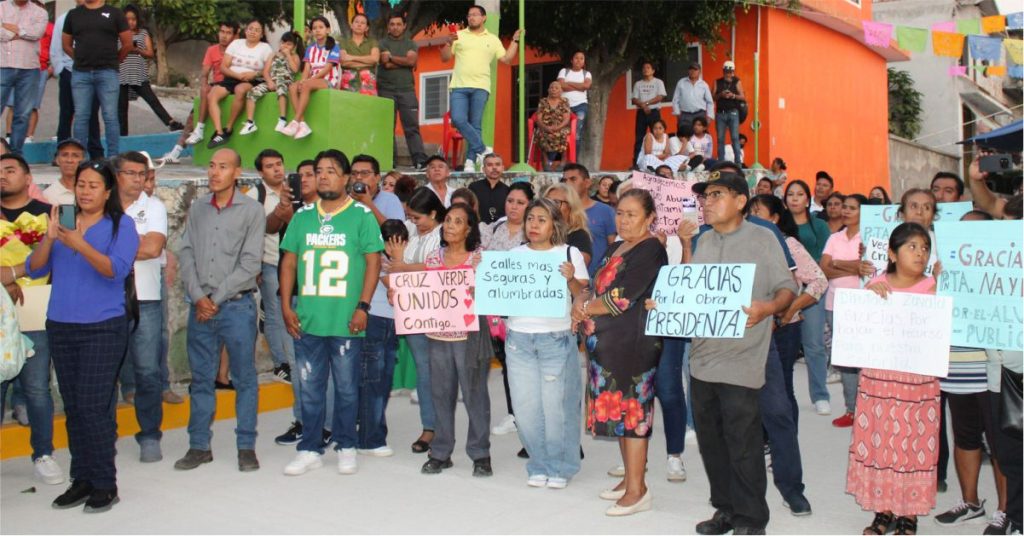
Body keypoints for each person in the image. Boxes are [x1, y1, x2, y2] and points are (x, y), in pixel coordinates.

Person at [684, 172, 799, 533]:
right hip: (702, 361)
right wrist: (668, 304)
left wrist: (766, 309)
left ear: (739, 201)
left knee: (744, 444)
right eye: (704, 196)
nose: (707, 202)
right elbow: (692, 292)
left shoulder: (764, 238)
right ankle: (726, 509)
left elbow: (787, 289)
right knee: (712, 444)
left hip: (743, 360)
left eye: (716, 194)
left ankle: (751, 518)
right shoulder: (702, 241)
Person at [27, 159, 139, 513]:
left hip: (103, 327)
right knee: (74, 407)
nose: (86, 191)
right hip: (61, 324)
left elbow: (115, 270)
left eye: (94, 185)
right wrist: (51, 237)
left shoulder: (122, 225)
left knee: (93, 406)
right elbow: (36, 267)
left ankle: (105, 482)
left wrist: (79, 244)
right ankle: (83, 479)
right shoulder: (60, 223)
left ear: (108, 192)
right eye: (81, 184)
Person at [279, 148, 383, 476]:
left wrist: (363, 306)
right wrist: (285, 304)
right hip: (308, 317)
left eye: (331, 170)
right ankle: (310, 447)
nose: (323, 176)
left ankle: (346, 444)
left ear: (346, 177)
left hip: (346, 319)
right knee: (310, 386)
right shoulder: (302, 216)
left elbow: (373, 262)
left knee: (347, 386)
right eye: (319, 170)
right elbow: (290, 260)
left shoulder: (361, 216)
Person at [572, 189, 666, 516]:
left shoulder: (652, 249)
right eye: (620, 213)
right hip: (605, 344)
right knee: (622, 414)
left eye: (632, 214)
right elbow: (596, 285)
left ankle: (639, 491)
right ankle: (629, 479)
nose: (624, 220)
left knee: (634, 414)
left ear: (650, 217)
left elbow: (623, 297)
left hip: (633, 344)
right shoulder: (615, 246)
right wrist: (580, 301)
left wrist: (585, 309)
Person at [174, 148, 265, 473]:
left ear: (237, 172)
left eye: (223, 167)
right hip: (201, 309)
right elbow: (185, 251)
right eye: (212, 166)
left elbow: (251, 263)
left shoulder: (252, 211)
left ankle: (245, 447)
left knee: (244, 379)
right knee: (200, 380)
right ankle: (199, 446)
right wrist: (199, 296)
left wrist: (215, 298)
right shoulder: (198, 208)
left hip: (236, 307)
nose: (214, 172)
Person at [849, 222, 939, 536]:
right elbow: (859, 329)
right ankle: (883, 510)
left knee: (913, 443)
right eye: (912, 247)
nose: (920, 254)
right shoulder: (876, 284)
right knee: (882, 441)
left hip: (918, 382)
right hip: (879, 381)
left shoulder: (933, 287)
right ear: (892, 253)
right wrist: (868, 295)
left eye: (925, 248)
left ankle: (909, 513)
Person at [932, 209, 1011, 534]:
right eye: (963, 231)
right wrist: (936, 280)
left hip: (992, 371)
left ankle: (1008, 510)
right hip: (955, 368)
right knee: (964, 436)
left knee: (999, 443)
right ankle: (971, 502)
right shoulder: (943, 268)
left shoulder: (1006, 271)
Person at [745, 197, 826, 513]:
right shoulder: (718, 242)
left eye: (758, 214)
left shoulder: (786, 244)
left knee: (778, 404)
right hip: (739, 341)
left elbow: (817, 281)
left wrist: (786, 310)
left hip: (780, 332)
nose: (752, 218)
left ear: (775, 220)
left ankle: (790, 485)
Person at [506, 198, 589, 489]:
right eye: (530, 219)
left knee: (556, 408)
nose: (534, 225)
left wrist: (571, 280)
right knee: (526, 407)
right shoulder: (513, 254)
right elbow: (497, 291)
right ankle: (538, 463)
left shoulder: (569, 253)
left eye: (541, 219)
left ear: (555, 223)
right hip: (518, 338)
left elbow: (584, 295)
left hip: (555, 337)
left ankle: (561, 466)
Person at [0, 153, 63, 487]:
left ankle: (43, 453)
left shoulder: (47, 216)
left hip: (36, 311)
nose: (2, 176)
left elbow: (52, 261)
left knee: (37, 388)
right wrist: (8, 281)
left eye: (10, 170)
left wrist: (12, 275)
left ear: (28, 178)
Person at [419, 203, 492, 477]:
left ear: (469, 228)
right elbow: (424, 294)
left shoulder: (480, 258)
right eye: (447, 220)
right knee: (440, 394)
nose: (450, 225)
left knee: (475, 395)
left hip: (470, 336)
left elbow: (490, 294)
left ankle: (480, 453)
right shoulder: (433, 258)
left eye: (457, 221)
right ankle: (440, 452)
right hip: (437, 335)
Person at [109, 151, 168, 464]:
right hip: (104, 299)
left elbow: (153, 247)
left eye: (141, 174)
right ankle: (104, 435)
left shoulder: (154, 206)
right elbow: (141, 246)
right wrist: (135, 244)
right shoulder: (104, 205)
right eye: (129, 173)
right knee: (105, 371)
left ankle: (149, 435)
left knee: (147, 371)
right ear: (117, 175)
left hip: (145, 298)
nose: (136, 179)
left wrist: (111, 248)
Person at [388, 187, 444, 453]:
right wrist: (394, 281)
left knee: (443, 373)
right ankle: (429, 427)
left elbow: (445, 266)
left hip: (442, 314)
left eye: (418, 217)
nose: (413, 222)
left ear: (433, 213)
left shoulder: (446, 232)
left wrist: (403, 267)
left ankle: (445, 429)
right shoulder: (409, 234)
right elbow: (391, 266)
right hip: (413, 313)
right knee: (423, 371)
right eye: (410, 217)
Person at [479, 182, 533, 439]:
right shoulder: (494, 228)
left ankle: (527, 414)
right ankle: (514, 412)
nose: (513, 206)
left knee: (523, 363)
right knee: (506, 361)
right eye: (510, 201)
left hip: (523, 308)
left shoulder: (533, 231)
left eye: (520, 202)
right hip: (495, 309)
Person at [440, 4, 521, 173]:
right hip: (459, 86)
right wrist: (448, 43)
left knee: (475, 124)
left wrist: (515, 41)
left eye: (475, 15)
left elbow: (506, 58)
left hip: (481, 87)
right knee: (458, 119)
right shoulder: (459, 35)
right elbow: (445, 58)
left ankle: (470, 162)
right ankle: (484, 151)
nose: (471, 18)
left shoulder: (492, 39)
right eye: (469, 15)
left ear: (484, 18)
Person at [819, 193, 874, 428]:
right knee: (846, 361)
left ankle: (869, 408)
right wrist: (852, 267)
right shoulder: (835, 237)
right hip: (834, 304)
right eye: (845, 207)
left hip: (863, 305)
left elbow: (870, 269)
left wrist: (837, 264)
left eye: (853, 208)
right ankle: (851, 409)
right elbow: (823, 268)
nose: (846, 211)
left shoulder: (870, 239)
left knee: (866, 358)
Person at [245, 148, 296, 390]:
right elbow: (251, 233)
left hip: (294, 263)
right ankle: (282, 364)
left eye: (279, 163)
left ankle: (292, 361)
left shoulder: (294, 190)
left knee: (291, 313)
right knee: (276, 315)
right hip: (270, 263)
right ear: (260, 171)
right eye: (269, 166)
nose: (276, 169)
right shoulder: (255, 195)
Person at [357, 218, 407, 457]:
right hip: (375, 321)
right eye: (391, 243)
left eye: (400, 243)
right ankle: (370, 438)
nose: (394, 247)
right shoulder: (377, 259)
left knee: (383, 380)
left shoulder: (398, 262)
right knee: (373, 381)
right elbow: (395, 286)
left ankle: (373, 433)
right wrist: (397, 259)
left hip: (392, 324)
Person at [62, 0, 132, 157]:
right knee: (81, 116)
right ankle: (81, 159)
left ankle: (113, 157)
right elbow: (66, 44)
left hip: (107, 72)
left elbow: (127, 43)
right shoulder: (74, 15)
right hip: (81, 73)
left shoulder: (115, 13)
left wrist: (115, 61)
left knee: (110, 116)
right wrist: (79, 58)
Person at [116, 5, 183, 136]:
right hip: (122, 73)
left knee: (152, 100)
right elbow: (113, 53)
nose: (131, 22)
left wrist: (137, 50)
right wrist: (125, 48)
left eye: (133, 19)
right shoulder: (117, 34)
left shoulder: (143, 33)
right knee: (122, 108)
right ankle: (122, 136)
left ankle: (171, 122)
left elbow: (150, 53)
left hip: (139, 73)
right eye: (127, 19)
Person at [206, 19, 272, 148]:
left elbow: (267, 70)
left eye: (257, 30)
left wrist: (255, 74)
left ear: (262, 34)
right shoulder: (236, 44)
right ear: (246, 31)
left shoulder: (266, 48)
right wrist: (236, 75)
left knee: (241, 90)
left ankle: (229, 128)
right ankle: (219, 132)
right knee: (212, 96)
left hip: (251, 80)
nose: (253, 32)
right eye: (250, 29)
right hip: (232, 77)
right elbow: (224, 67)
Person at [178, 21, 237, 152]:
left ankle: (196, 132)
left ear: (234, 36)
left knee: (197, 109)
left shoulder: (237, 50)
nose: (224, 36)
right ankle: (179, 148)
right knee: (192, 115)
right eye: (222, 32)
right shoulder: (211, 50)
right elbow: (205, 73)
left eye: (228, 33)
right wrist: (204, 84)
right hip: (216, 86)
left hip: (231, 85)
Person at [379, 13, 427, 170]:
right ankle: (389, 161)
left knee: (412, 127)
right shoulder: (382, 43)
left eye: (398, 24)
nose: (395, 27)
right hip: (386, 89)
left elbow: (411, 61)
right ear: (388, 27)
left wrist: (392, 58)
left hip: (407, 90)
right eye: (392, 24)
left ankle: (420, 160)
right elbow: (386, 64)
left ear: (404, 26)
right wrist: (403, 61)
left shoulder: (411, 43)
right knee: (386, 127)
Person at [0, 0, 47, 155]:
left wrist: (15, 30)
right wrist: (22, 32)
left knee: (22, 114)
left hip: (29, 68)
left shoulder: (40, 12)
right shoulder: (1, 7)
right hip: (3, 65)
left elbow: (37, 34)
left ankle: (15, 154)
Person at [281, 18, 338, 139]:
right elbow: (307, 68)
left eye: (321, 27)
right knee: (292, 87)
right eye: (314, 28)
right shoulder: (310, 48)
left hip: (327, 80)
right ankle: (302, 124)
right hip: (312, 81)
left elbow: (327, 69)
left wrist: (308, 81)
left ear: (328, 30)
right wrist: (303, 80)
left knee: (306, 85)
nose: (317, 30)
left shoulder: (334, 46)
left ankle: (295, 121)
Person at [240, 30, 300, 137]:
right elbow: (266, 71)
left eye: (289, 44)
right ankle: (250, 122)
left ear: (294, 46)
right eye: (283, 42)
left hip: (285, 81)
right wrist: (269, 82)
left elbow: (295, 70)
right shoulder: (273, 55)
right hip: (271, 80)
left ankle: (282, 119)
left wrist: (288, 56)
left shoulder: (294, 57)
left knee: (281, 90)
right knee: (252, 93)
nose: (285, 46)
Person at [562, 163, 615, 276]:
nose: (567, 184)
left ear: (587, 183)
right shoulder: (560, 212)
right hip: (565, 277)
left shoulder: (606, 211)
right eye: (564, 180)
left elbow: (614, 248)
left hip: (596, 279)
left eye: (573, 179)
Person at [543, 182, 593, 267]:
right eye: (547, 202)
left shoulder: (580, 236)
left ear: (571, 206)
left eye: (557, 202)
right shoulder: (537, 232)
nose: (550, 206)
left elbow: (577, 270)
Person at [350, 154, 405, 225]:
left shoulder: (390, 199)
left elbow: (395, 232)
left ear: (377, 178)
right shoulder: (345, 200)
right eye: (354, 173)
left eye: (364, 173)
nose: (358, 177)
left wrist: (369, 204)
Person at [630, 61, 667, 166]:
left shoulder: (658, 82)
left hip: (654, 112)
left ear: (653, 71)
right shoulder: (638, 84)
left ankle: (659, 162)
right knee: (639, 138)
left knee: (657, 136)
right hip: (641, 113)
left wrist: (646, 103)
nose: (645, 69)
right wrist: (643, 106)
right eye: (644, 68)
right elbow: (634, 99)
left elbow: (660, 96)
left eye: (648, 67)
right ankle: (636, 163)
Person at [557, 51, 590, 156]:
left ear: (584, 62)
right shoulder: (564, 71)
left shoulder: (586, 74)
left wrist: (568, 83)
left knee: (577, 134)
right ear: (571, 60)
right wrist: (579, 86)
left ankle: (574, 160)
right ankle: (563, 161)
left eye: (582, 58)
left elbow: (585, 86)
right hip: (565, 106)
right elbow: (561, 85)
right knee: (563, 133)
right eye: (576, 58)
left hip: (581, 105)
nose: (579, 60)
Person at [338, 13, 379, 96]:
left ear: (367, 28)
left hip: (368, 80)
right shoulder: (343, 43)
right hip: (348, 80)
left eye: (363, 23)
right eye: (356, 22)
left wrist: (351, 57)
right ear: (351, 25)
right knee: (349, 106)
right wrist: (367, 61)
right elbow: (343, 61)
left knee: (368, 106)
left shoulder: (372, 42)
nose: (359, 25)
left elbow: (375, 59)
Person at [671, 62, 714, 140]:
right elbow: (675, 100)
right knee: (684, 137)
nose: (693, 71)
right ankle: (684, 152)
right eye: (691, 69)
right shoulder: (681, 82)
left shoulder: (704, 84)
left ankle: (699, 152)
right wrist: (677, 114)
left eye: (695, 69)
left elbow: (710, 102)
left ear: (699, 71)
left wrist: (709, 117)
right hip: (685, 115)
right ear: (688, 71)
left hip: (700, 114)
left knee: (700, 138)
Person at [536, 81, 572, 171]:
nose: (554, 90)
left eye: (556, 88)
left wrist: (558, 127)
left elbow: (567, 118)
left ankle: (563, 160)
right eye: (552, 88)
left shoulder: (564, 101)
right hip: (545, 127)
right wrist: (545, 127)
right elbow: (539, 118)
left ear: (561, 91)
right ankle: (545, 161)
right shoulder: (543, 101)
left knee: (562, 134)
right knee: (541, 135)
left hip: (561, 127)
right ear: (548, 90)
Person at [713, 61, 744, 164]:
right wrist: (720, 95)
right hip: (720, 113)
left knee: (735, 138)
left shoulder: (737, 81)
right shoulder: (717, 82)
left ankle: (738, 162)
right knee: (720, 139)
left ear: (733, 72)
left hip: (733, 112)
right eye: (726, 71)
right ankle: (721, 162)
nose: (728, 74)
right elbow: (712, 97)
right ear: (723, 71)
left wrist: (733, 96)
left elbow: (743, 97)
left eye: (730, 72)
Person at [468, 152, 509, 224]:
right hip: (478, 231)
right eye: (490, 165)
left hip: (501, 232)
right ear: (483, 169)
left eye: (497, 164)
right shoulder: (474, 188)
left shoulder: (508, 191)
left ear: (502, 168)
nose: (494, 168)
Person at [44, 138, 86, 205]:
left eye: (75, 155)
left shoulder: (92, 192)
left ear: (83, 160)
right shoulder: (48, 195)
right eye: (65, 155)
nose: (69, 160)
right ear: (57, 160)